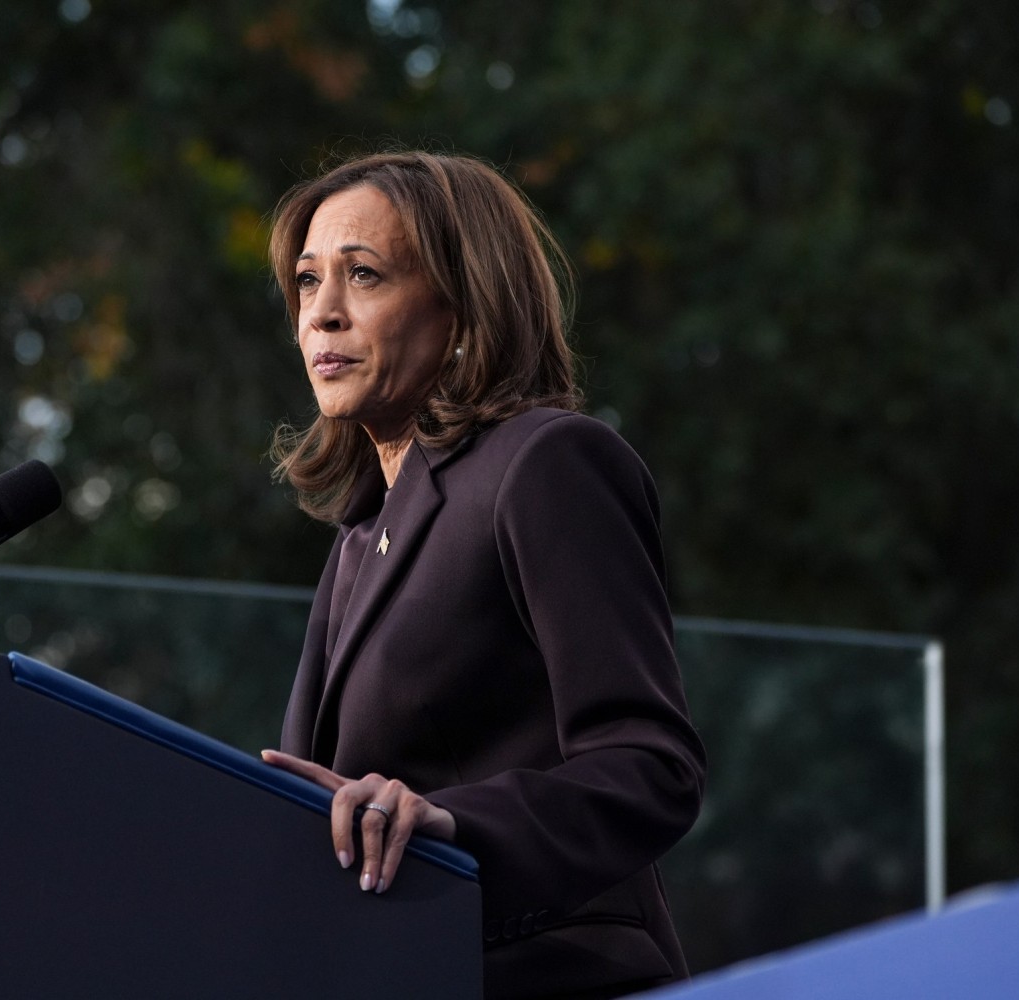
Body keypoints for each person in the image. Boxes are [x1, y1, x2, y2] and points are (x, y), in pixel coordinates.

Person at [259, 151, 706, 1000]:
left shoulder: (548, 463)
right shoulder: (357, 537)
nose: (323, 315)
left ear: (464, 304)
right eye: (308, 283)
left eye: (364, 275)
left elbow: (651, 766)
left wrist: (454, 825)